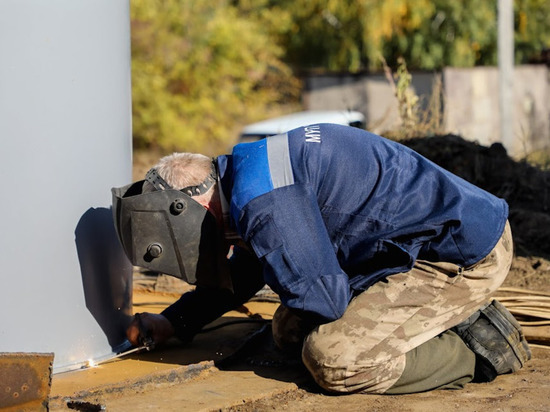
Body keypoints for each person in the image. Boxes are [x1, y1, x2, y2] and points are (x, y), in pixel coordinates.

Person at [112, 124, 531, 394]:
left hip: (463, 254)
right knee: (288, 330)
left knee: (335, 360)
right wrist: (175, 321)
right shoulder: (248, 173)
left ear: (194, 206)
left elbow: (326, 301)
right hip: (413, 247)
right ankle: (436, 319)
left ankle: (480, 350)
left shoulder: (265, 204)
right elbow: (253, 266)